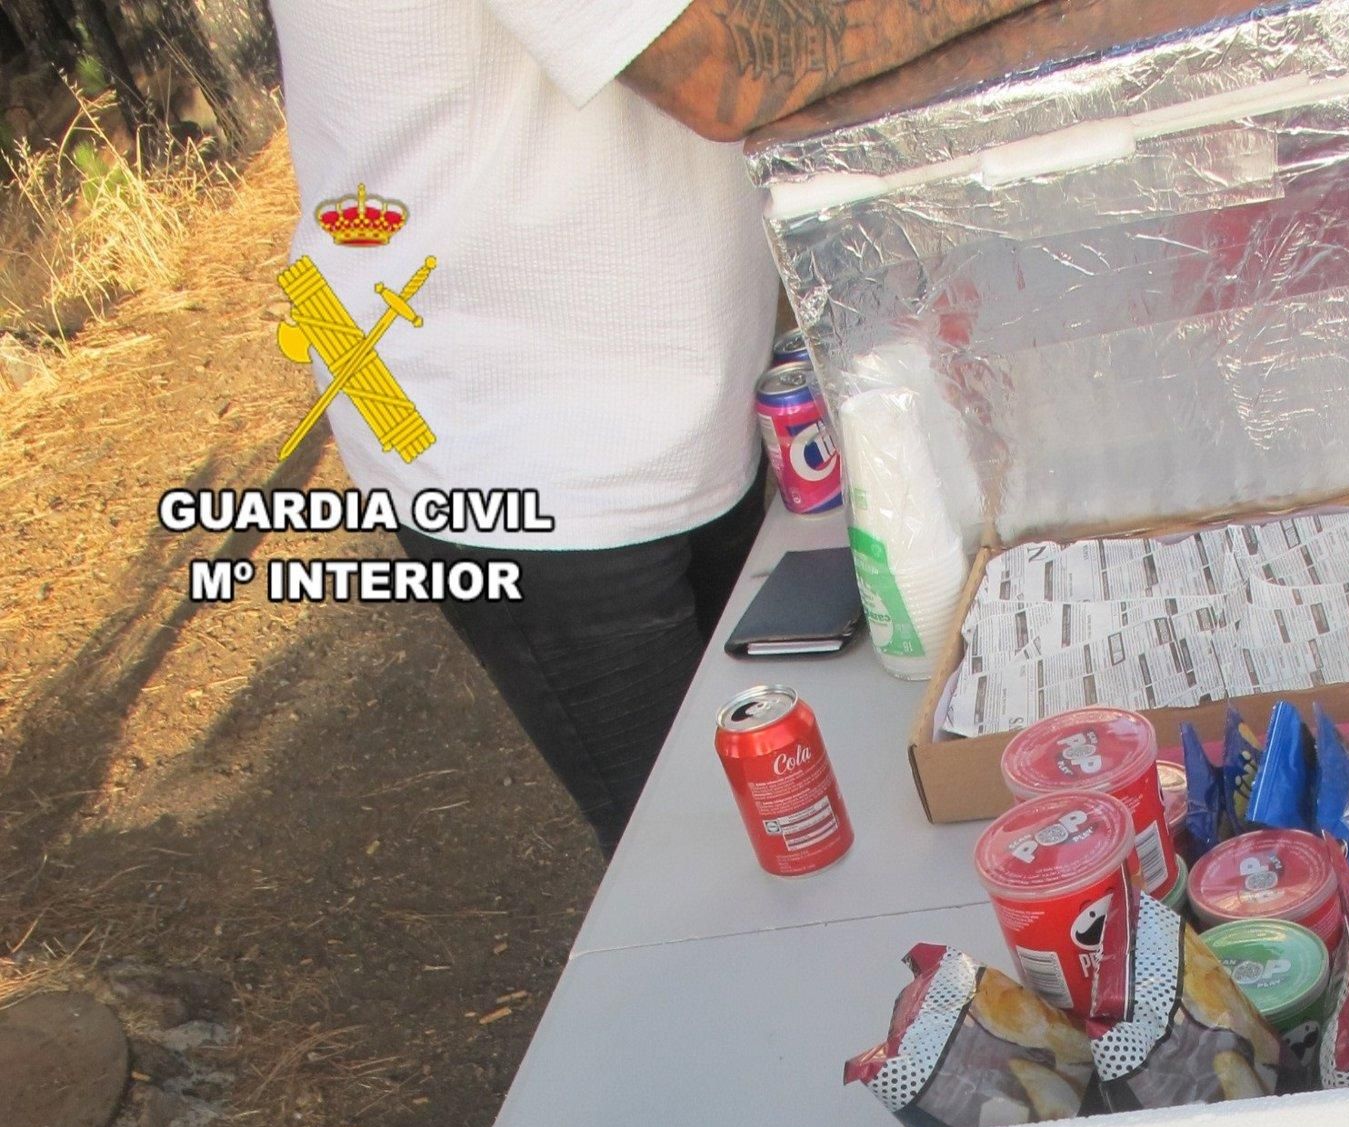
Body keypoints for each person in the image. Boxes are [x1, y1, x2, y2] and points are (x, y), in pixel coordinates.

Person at [269, 0, 1041, 854]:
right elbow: (724, 62)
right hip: (505, 442)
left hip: (687, 383)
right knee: (709, 862)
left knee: (817, 795)